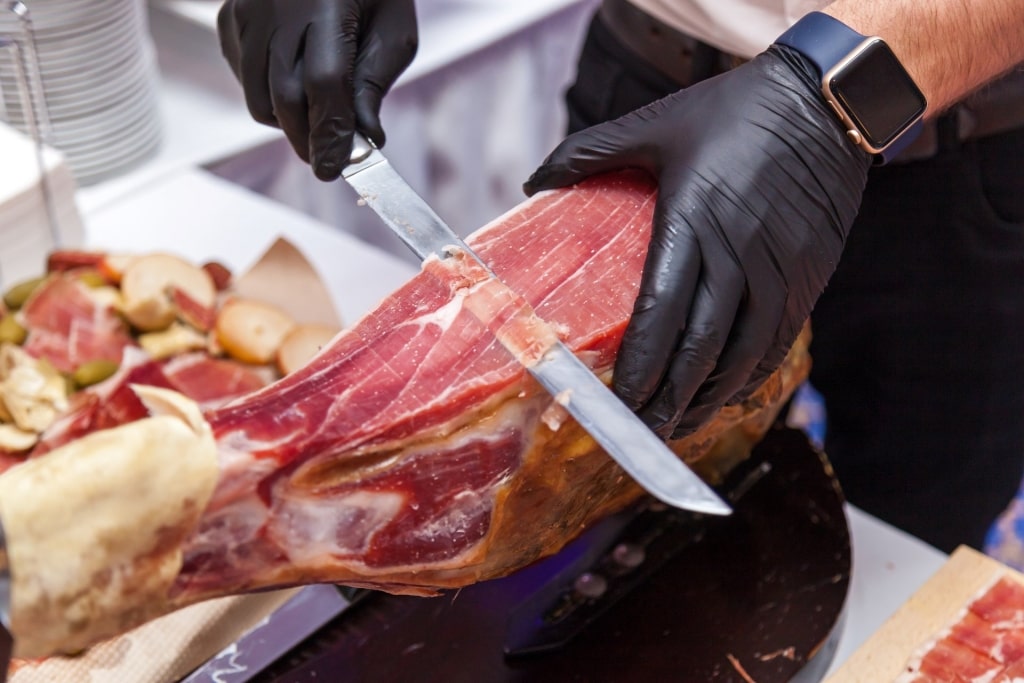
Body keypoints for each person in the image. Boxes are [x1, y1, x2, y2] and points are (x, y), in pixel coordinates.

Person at [216, 0, 1024, 553]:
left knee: (918, 520)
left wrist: (833, 89)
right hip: (652, 97)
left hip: (962, 142)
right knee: (586, 500)